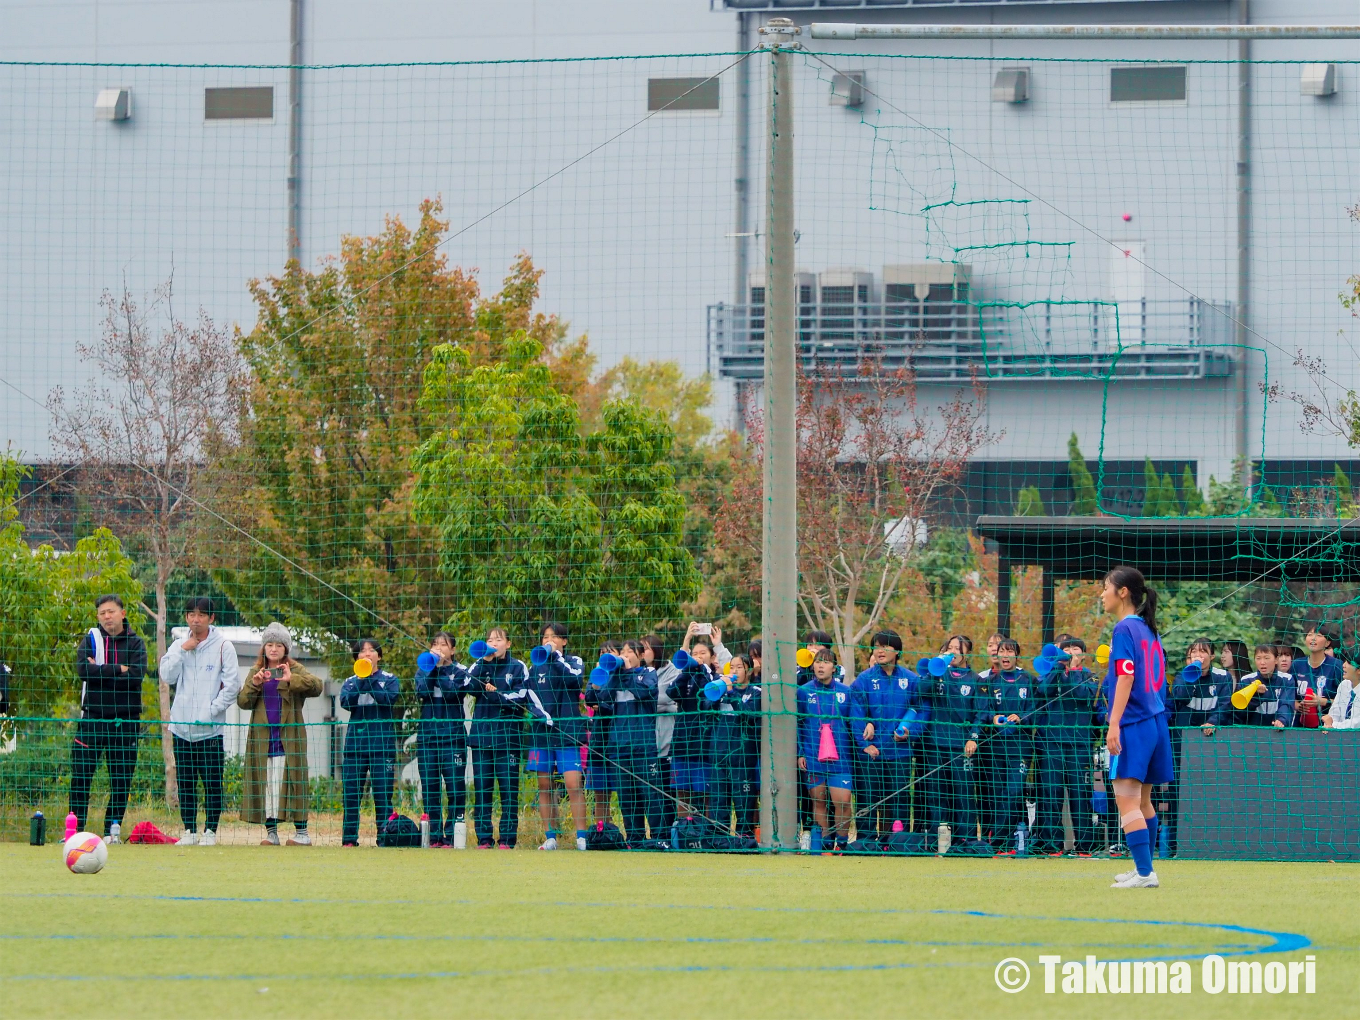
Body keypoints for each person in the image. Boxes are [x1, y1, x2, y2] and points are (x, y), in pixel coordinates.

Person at [1101, 565, 1173, 889]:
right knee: (1143, 802)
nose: (1102, 594)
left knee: (1126, 800)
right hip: (1156, 721)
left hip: (1134, 723)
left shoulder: (1123, 630)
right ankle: (1144, 868)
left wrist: (1114, 722)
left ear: (1123, 592)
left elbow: (1127, 676)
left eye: (1105, 587)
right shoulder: (1148, 628)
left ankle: (1145, 873)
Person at [160, 597, 240, 847]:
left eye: (202, 615)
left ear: (211, 618)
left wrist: (211, 712)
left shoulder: (223, 646)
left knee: (212, 780)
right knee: (185, 781)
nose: (196, 619)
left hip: (210, 729)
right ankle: (189, 830)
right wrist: (183, 649)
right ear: (186, 617)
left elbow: (232, 686)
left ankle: (211, 831)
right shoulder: (178, 644)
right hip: (182, 728)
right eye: (191, 615)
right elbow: (167, 676)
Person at [70, 594, 147, 844]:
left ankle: (112, 830)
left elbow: (135, 677)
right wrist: (117, 669)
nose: (106, 616)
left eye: (111, 611)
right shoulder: (91, 640)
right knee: (81, 776)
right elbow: (83, 671)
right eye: (102, 613)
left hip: (125, 721)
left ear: (122, 614)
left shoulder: (136, 644)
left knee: (121, 778)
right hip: (92, 719)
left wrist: (100, 673)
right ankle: (75, 831)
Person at [237, 622, 323, 846]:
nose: (273, 649)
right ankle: (271, 833)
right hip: (263, 739)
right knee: (267, 785)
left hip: (290, 738)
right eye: (269, 644)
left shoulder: (294, 669)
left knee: (294, 780)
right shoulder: (255, 672)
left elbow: (317, 686)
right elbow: (243, 702)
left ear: (286, 649)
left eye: (278, 645)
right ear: (263, 648)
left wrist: (290, 680)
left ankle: (302, 833)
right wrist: (255, 684)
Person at [849, 630, 921, 841]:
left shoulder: (910, 679)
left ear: (897, 650)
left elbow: (922, 709)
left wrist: (910, 733)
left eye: (885, 647)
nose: (879, 651)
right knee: (868, 798)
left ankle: (897, 841)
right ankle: (866, 841)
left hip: (900, 752)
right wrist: (864, 744)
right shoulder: (864, 680)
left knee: (899, 799)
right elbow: (856, 714)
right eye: (876, 647)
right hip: (872, 752)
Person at [1032, 635, 1100, 857]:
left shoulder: (1089, 676)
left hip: (1079, 743)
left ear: (1082, 654)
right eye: (1067, 649)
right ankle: (1052, 844)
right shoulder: (1050, 674)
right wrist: (1058, 669)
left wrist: (1073, 672)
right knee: (1051, 793)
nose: (1071, 653)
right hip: (1052, 742)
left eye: (1076, 650)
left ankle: (1084, 846)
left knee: (1080, 794)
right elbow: (1043, 691)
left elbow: (1083, 695)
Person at [522, 622, 587, 851]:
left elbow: (575, 681)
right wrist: (542, 715)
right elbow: (528, 696)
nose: (548, 641)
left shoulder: (573, 662)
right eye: (545, 637)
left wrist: (556, 657)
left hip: (567, 732)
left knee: (573, 784)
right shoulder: (534, 668)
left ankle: (582, 837)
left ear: (564, 641)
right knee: (544, 784)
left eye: (554, 637)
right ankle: (551, 836)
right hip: (542, 734)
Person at [587, 639, 659, 840]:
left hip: (644, 746)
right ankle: (634, 838)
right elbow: (602, 699)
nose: (625, 655)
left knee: (650, 793)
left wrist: (627, 673)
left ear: (641, 655)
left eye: (630, 652)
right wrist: (603, 678)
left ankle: (657, 837)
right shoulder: (616, 677)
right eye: (623, 652)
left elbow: (644, 692)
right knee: (627, 797)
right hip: (619, 747)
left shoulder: (649, 673)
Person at [1163, 638, 1228, 857]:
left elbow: (1226, 705)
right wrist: (1193, 673)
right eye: (1193, 653)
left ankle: (1208, 842)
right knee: (1177, 792)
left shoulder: (1223, 677)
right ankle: (1174, 846)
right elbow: (1179, 697)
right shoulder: (1182, 676)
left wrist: (1213, 721)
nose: (1198, 657)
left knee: (1208, 790)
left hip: (1211, 744)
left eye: (1203, 653)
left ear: (1212, 656)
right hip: (1182, 743)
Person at [467, 628, 530, 849]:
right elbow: (468, 686)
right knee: (482, 790)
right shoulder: (480, 664)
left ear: (509, 643)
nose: (493, 643)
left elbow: (521, 697)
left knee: (508, 792)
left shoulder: (518, 667)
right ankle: (484, 838)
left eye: (498, 639)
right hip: (481, 738)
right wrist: (484, 661)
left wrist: (496, 695)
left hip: (508, 739)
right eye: (490, 640)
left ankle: (507, 839)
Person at [922, 635, 983, 849]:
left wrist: (973, 737)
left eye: (958, 648)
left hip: (961, 745)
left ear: (967, 653)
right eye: (950, 647)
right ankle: (935, 839)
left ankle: (964, 840)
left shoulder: (975, 680)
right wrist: (934, 668)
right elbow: (921, 692)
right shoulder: (938, 672)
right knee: (936, 791)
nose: (953, 652)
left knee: (963, 793)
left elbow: (981, 714)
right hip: (935, 743)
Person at [339, 638, 400, 847]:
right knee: (351, 795)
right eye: (362, 652)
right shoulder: (350, 681)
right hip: (355, 746)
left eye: (371, 651)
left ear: (379, 656)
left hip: (382, 746)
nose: (366, 655)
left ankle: (385, 838)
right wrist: (361, 679)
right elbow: (346, 703)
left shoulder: (389, 679)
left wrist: (371, 679)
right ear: (356, 658)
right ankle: (348, 839)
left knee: (383, 795)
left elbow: (388, 700)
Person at [414, 631, 471, 847]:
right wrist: (432, 669)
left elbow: (452, 693)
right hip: (428, 738)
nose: (438, 648)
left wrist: (443, 669)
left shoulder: (461, 671)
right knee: (430, 787)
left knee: (455, 787)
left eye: (443, 645)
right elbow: (422, 692)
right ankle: (434, 835)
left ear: (453, 650)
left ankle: (453, 834)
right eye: (435, 644)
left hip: (453, 737)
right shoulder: (423, 670)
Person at [981, 637, 1036, 853]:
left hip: (1020, 747)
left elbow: (1036, 711)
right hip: (995, 747)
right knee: (996, 792)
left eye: (1010, 652)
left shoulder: (1028, 680)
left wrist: (1021, 717)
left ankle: (1009, 837)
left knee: (1013, 792)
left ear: (1017, 656)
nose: (1005, 655)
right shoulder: (990, 682)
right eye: (1002, 651)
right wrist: (994, 718)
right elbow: (982, 711)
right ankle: (1002, 841)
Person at [797, 648, 854, 850]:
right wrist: (800, 752)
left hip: (841, 758)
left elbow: (853, 723)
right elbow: (798, 723)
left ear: (835, 667)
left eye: (825, 662)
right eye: (817, 662)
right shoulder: (803, 692)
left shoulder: (846, 692)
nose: (820, 666)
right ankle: (825, 843)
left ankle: (843, 843)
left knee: (843, 801)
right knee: (818, 802)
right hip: (813, 755)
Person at [707, 653, 762, 837]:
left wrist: (731, 693)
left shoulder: (756, 692)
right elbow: (707, 711)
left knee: (743, 800)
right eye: (732, 667)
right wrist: (719, 691)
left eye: (739, 667)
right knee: (718, 799)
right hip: (719, 754)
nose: (734, 671)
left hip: (743, 756)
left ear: (749, 669)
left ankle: (744, 837)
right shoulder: (721, 690)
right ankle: (719, 837)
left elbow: (748, 716)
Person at [667, 634, 718, 820]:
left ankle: (705, 833)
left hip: (704, 743)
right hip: (681, 742)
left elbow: (710, 697)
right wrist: (687, 671)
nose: (697, 656)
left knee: (705, 793)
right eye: (694, 653)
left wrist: (703, 670)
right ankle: (683, 831)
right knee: (682, 792)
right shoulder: (685, 676)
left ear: (712, 657)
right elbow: (671, 692)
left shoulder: (714, 677)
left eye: (702, 653)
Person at [641, 634, 678, 838]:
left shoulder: (672, 670)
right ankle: (656, 836)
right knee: (650, 795)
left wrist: (649, 700)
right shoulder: (639, 673)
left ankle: (671, 836)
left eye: (646, 648)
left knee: (668, 792)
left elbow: (671, 697)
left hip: (667, 743)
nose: (642, 652)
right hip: (645, 745)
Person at [1215, 644, 1295, 729]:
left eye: (1267, 658)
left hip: (1278, 732)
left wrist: (1282, 720)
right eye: (1258, 658)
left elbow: (1286, 704)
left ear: (1276, 660)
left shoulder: (1287, 679)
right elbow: (1238, 713)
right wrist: (1256, 695)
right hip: (1251, 733)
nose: (1262, 662)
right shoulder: (1246, 680)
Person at [1291, 624, 1342, 729]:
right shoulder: (1297, 664)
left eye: (1318, 635)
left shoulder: (1336, 665)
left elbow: (1344, 699)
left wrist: (1323, 701)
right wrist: (1297, 705)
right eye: (1310, 634)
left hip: (1328, 725)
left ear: (1327, 643)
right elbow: (1288, 694)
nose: (1313, 638)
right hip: (1300, 725)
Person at [1322, 653, 1360, 729]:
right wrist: (1329, 724)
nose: (1344, 665)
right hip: (1340, 737)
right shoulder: (1344, 685)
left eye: (1349, 663)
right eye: (1344, 661)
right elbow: (1334, 714)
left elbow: (1357, 723)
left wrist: (1333, 725)